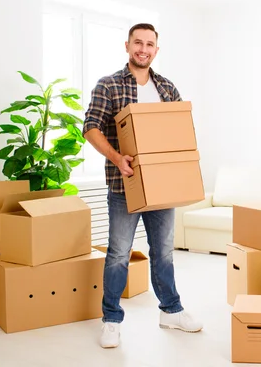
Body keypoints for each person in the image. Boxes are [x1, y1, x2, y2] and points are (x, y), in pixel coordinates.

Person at [82, 23, 203, 349]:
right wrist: (117, 157)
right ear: (127, 45)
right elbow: (91, 127)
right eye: (138, 42)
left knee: (163, 252)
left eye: (150, 44)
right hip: (125, 185)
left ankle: (171, 310)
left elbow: (179, 129)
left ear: (156, 50)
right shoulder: (109, 85)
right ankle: (111, 319)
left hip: (163, 187)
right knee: (119, 254)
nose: (143, 49)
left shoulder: (166, 88)